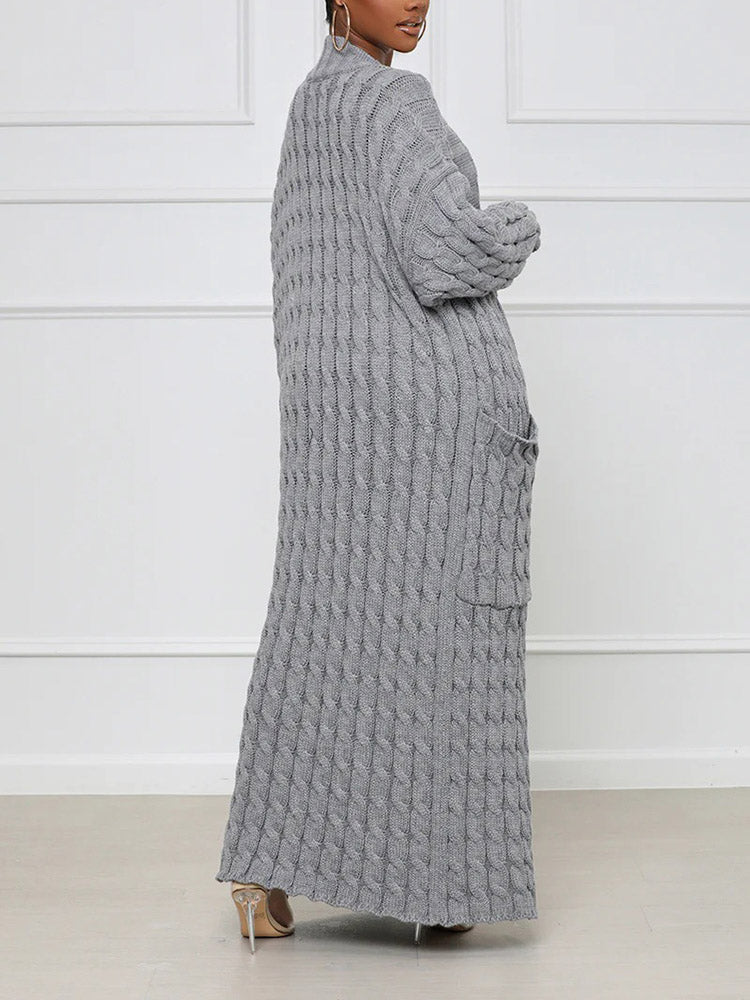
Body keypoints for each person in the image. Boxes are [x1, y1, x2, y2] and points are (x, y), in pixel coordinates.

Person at [216, 0, 542, 951]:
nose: (415, 1)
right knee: (446, 645)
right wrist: (516, 225)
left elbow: (304, 280)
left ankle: (265, 872)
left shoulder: (310, 108)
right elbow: (445, 252)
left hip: (342, 433)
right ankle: (441, 880)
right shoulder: (394, 104)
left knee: (326, 632)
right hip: (434, 434)